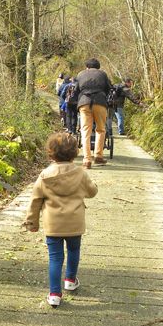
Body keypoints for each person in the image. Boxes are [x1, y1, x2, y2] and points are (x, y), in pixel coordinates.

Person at [23, 132, 98, 308]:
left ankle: (55, 293)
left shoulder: (45, 175)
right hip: (75, 223)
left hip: (53, 224)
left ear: (51, 152)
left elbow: (35, 200)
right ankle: (70, 280)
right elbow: (92, 192)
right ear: (74, 152)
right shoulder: (80, 173)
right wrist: (92, 185)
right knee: (73, 251)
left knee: (55, 258)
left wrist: (32, 222)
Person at [76, 58, 112, 168]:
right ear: (98, 67)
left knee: (85, 130)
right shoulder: (103, 74)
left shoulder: (80, 74)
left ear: (87, 66)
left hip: (84, 102)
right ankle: (98, 156)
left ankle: (87, 160)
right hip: (100, 102)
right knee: (101, 129)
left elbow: (76, 90)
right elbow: (109, 88)